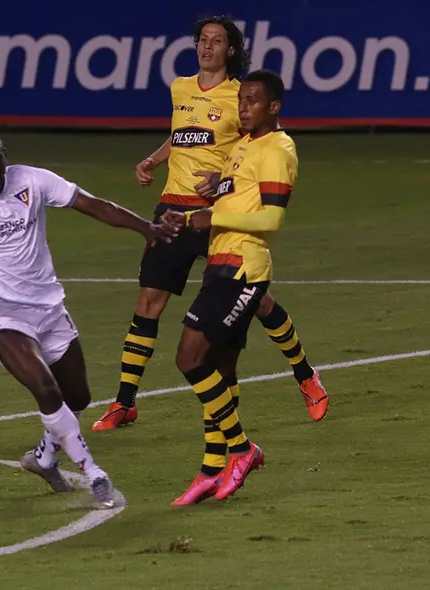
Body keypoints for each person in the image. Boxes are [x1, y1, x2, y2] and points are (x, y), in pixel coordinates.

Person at [0, 125, 181, 508]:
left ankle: (43, 459)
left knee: (78, 395)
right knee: (46, 389)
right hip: (2, 315)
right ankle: (94, 473)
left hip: (49, 308)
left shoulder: (31, 180)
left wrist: (145, 228)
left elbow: (93, 204)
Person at [92, 15, 328, 433]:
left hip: (219, 214)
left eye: (217, 41)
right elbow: (180, 133)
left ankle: (305, 373)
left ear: (231, 50)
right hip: (172, 210)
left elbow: (260, 144)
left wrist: (226, 180)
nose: (207, 47)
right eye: (203, 40)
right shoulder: (179, 88)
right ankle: (125, 402)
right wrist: (153, 158)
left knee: (259, 302)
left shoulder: (243, 96)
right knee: (148, 302)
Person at [167, 69, 297, 504]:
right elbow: (228, 203)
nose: (243, 107)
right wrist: (186, 219)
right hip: (221, 261)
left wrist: (214, 218)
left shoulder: (277, 149)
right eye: (241, 99)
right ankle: (210, 468)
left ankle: (242, 449)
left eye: (253, 101)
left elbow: (272, 219)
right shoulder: (243, 146)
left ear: (273, 107)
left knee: (189, 357)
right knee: (220, 369)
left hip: (243, 267)